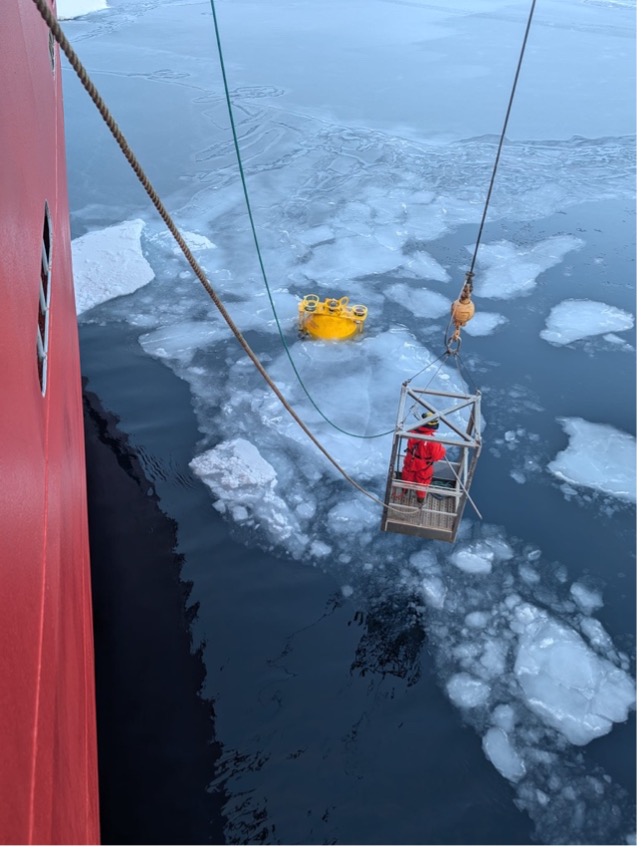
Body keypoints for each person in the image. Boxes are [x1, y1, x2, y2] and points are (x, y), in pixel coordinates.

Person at [401, 414, 446, 505]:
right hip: (423, 466)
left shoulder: (412, 432)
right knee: (423, 482)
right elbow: (437, 456)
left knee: (407, 476)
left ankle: (404, 492)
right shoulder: (432, 442)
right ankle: (420, 500)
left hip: (410, 461)